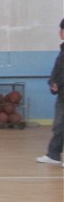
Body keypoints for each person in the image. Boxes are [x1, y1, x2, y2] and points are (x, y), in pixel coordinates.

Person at [36, 18, 64, 166]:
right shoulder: (62, 50)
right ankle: (54, 155)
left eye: (62, 30)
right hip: (62, 95)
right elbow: (57, 70)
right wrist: (53, 83)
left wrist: (59, 82)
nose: (59, 33)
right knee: (59, 125)